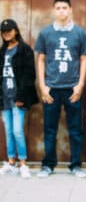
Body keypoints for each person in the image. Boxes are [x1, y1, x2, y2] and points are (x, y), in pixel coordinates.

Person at [34, 0, 86, 178]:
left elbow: (84, 59)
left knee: (75, 129)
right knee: (50, 129)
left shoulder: (79, 33)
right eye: (58, 8)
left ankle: (76, 165)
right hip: (51, 88)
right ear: (54, 10)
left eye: (64, 8)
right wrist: (43, 85)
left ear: (70, 9)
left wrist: (80, 85)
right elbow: (41, 59)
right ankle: (48, 165)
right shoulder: (45, 33)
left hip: (72, 88)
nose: (61, 11)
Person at [0, 19, 38, 178]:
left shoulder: (25, 50)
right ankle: (11, 162)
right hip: (5, 98)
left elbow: (30, 76)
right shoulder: (2, 51)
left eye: (9, 30)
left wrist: (21, 96)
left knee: (17, 131)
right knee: (8, 132)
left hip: (18, 98)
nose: (7, 33)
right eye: (4, 31)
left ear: (16, 30)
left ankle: (23, 163)